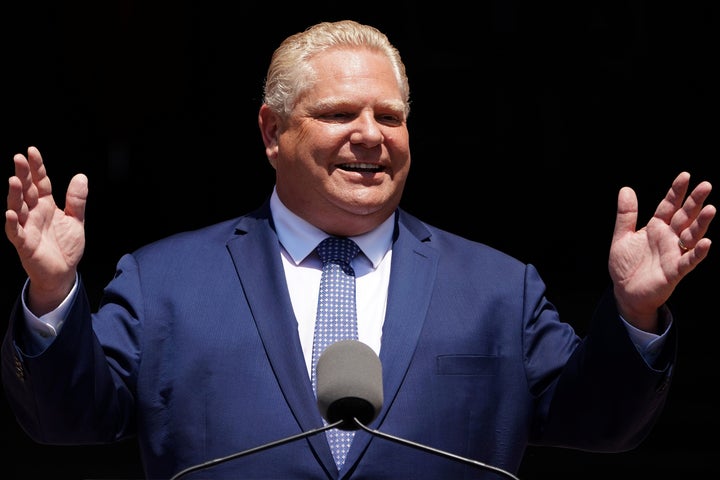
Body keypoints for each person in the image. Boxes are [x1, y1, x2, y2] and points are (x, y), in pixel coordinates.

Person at [2, 19, 716, 480]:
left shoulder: (500, 289)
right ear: (271, 131)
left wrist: (634, 311)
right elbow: (70, 423)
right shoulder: (167, 282)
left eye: (391, 116)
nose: (372, 135)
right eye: (340, 114)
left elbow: (600, 428)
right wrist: (50, 296)